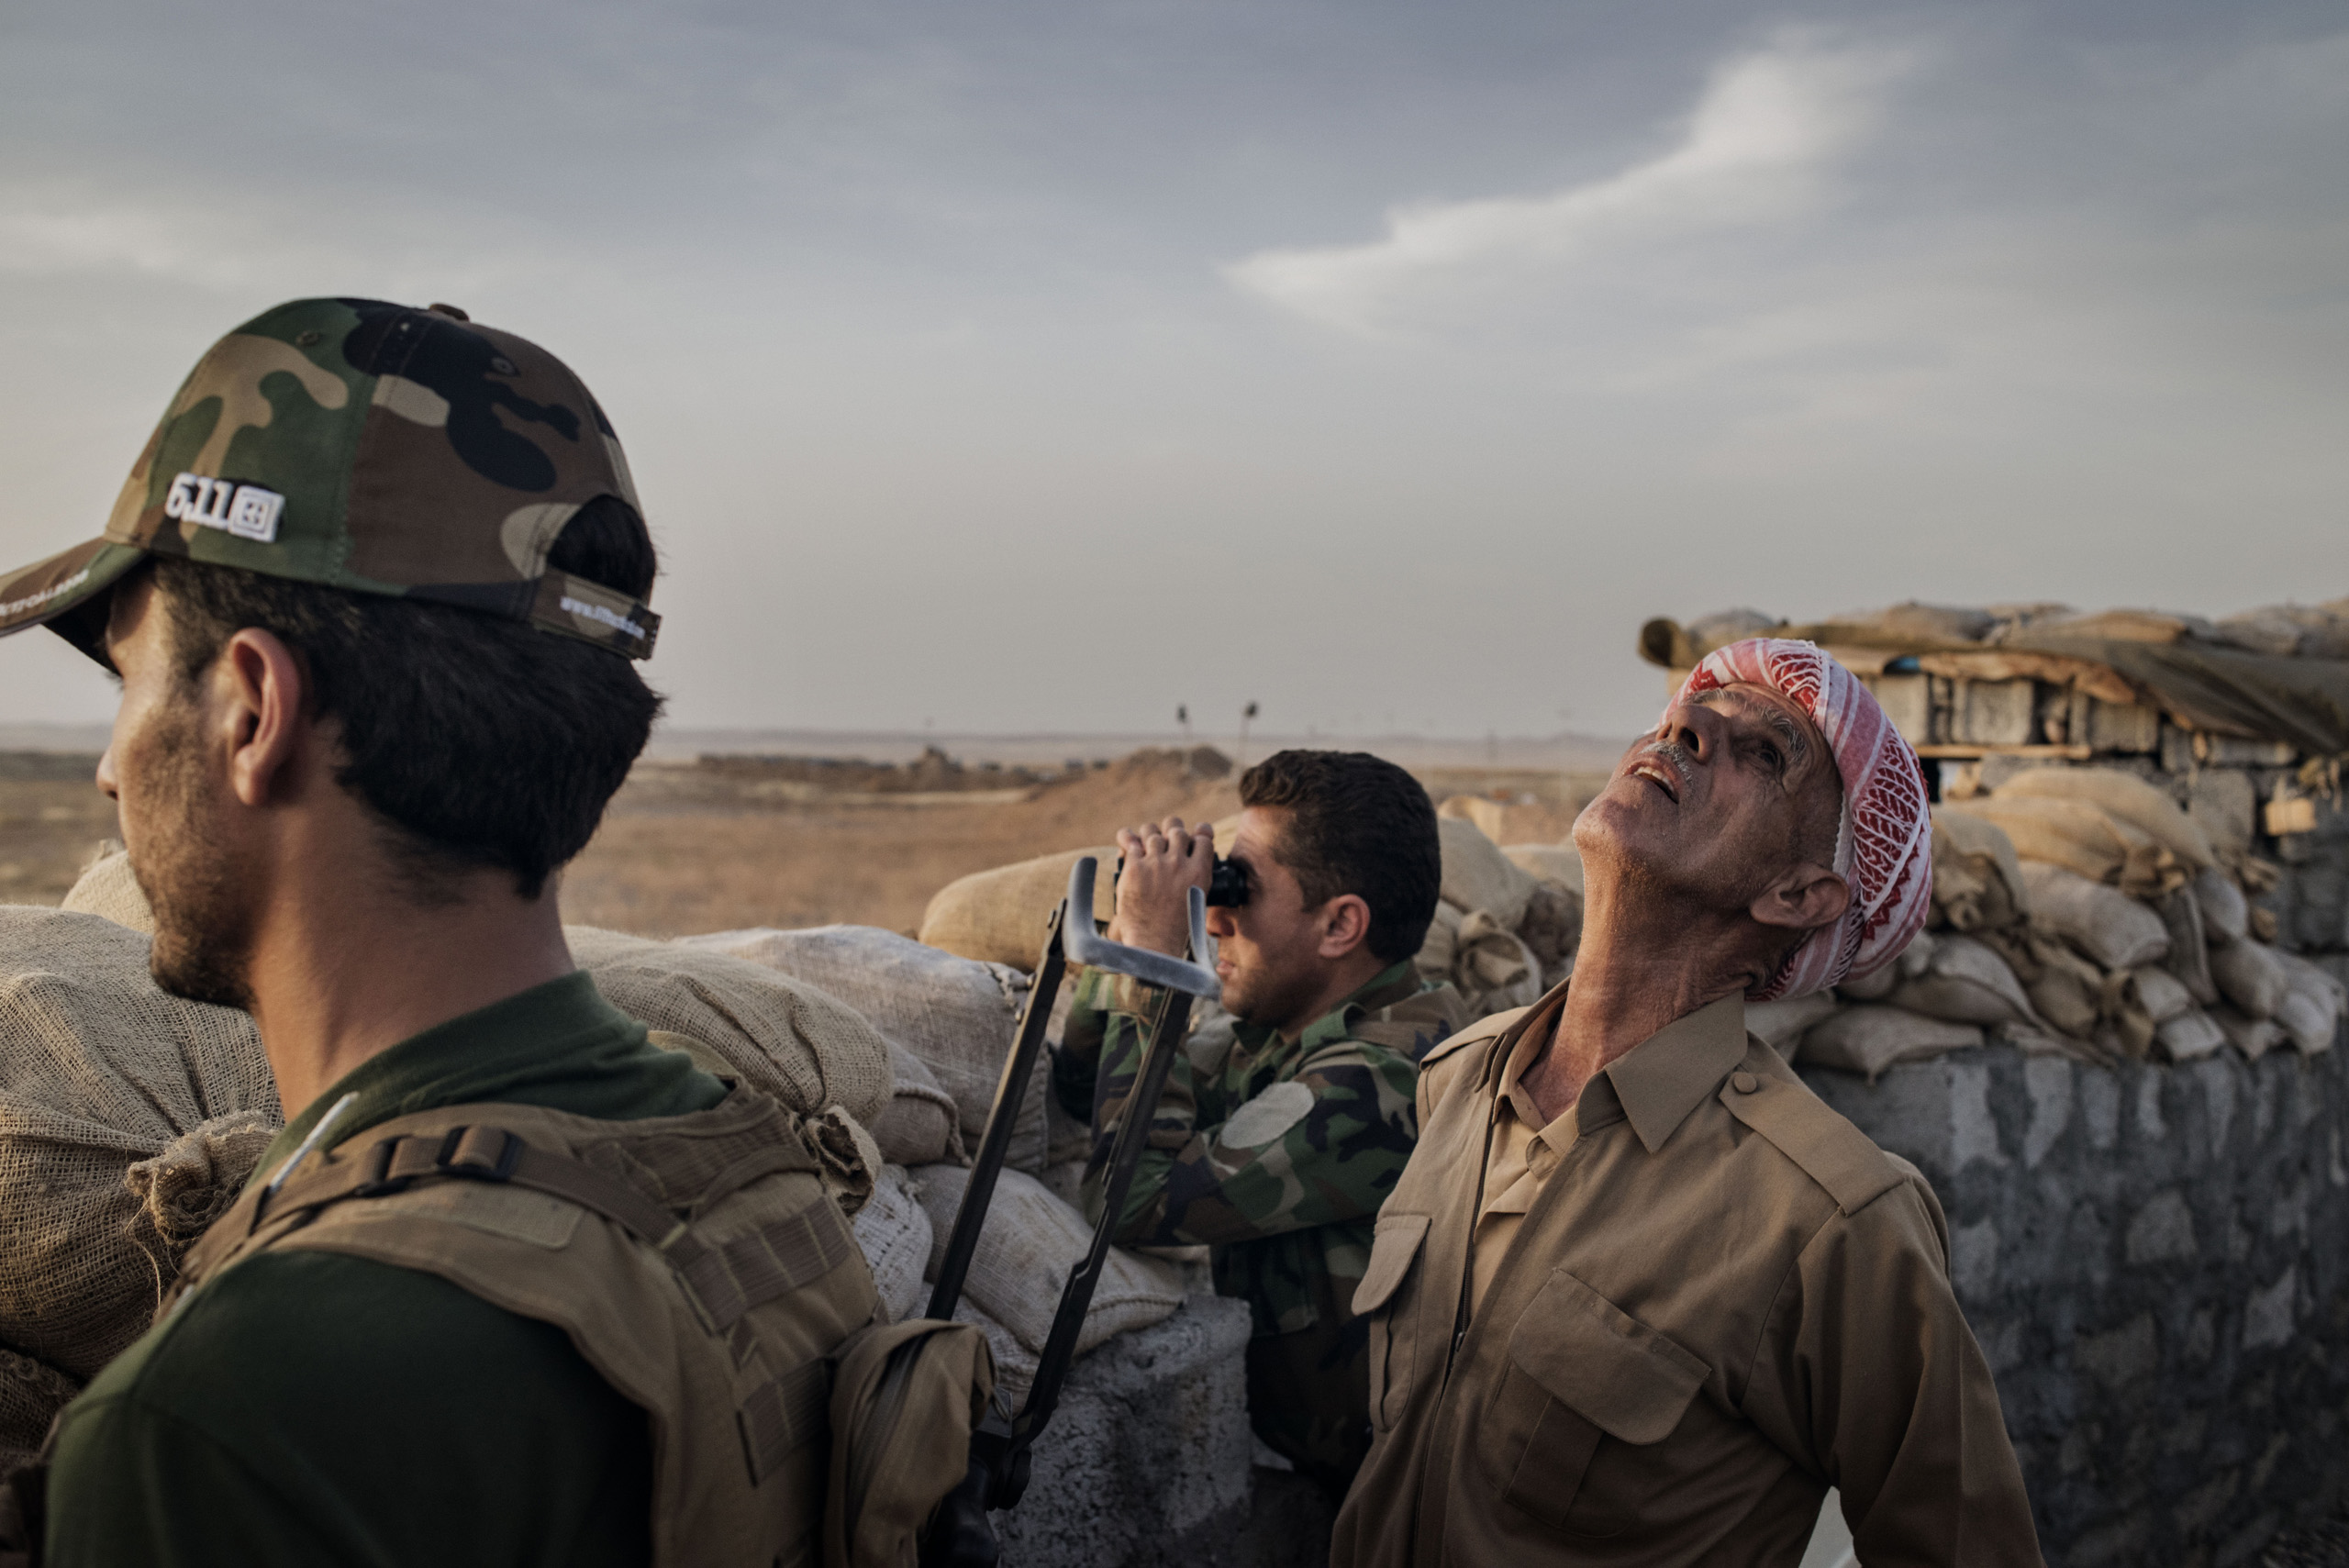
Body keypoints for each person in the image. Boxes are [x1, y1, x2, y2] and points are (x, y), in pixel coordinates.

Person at [0, 297, 976, 1566]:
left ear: (251, 710)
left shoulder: (229, 1420)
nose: (110, 770)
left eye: (130, 679)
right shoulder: (747, 1171)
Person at [1330, 640, 2044, 1567]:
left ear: (1798, 893)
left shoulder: (1830, 1217)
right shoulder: (1458, 1078)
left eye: (1766, 753)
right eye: (1686, 712)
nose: (1685, 721)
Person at [1053, 750, 1469, 1497]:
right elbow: (1086, 1089)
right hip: (1332, 1475)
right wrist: (1129, 945)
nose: (1216, 918)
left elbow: (1132, 1199)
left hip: (1405, 1496)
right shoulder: (1291, 1034)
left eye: (1240, 888)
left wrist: (1151, 963)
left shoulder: (1383, 1077)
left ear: (1340, 923)